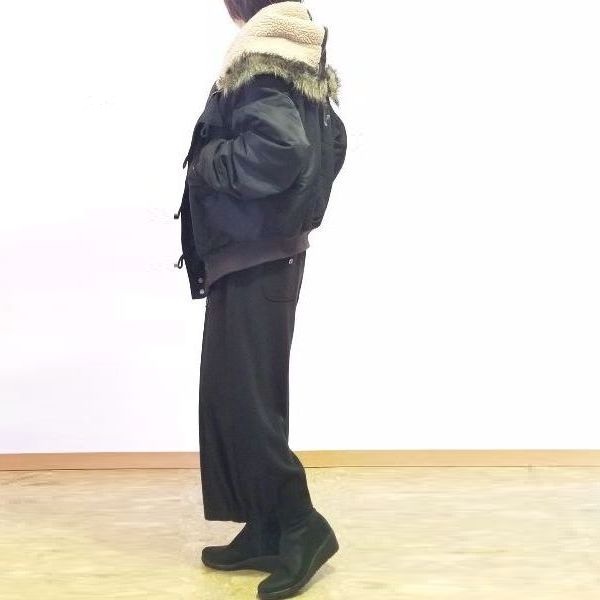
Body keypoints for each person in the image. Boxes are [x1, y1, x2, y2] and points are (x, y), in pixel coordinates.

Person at [173, 1, 347, 598]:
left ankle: (301, 525)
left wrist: (205, 162)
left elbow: (282, 150)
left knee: (241, 400)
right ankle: (267, 526)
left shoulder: (261, 59)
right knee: (246, 398)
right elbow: (328, 143)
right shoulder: (297, 55)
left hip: (254, 256)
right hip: (265, 252)